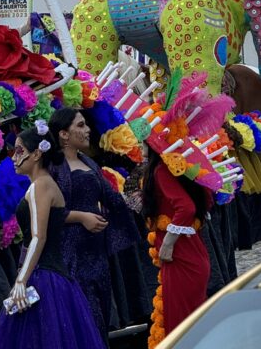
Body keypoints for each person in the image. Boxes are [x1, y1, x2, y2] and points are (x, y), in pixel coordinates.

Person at [0, 123, 105, 349]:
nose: (14, 157)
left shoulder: (39, 186)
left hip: (44, 277)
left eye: (19, 150)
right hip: (50, 274)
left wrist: (22, 280)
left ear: (36, 154)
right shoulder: (45, 184)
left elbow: (38, 237)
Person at [49, 108, 138, 344]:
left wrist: (142, 195)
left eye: (86, 125)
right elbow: (44, 213)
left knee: (102, 310)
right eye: (80, 125)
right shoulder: (53, 169)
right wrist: (80, 217)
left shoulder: (88, 161)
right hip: (71, 254)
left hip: (96, 254)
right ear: (63, 135)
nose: (88, 130)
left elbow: (112, 198)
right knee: (86, 315)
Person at [142, 147, 212, 337]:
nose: (140, 146)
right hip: (190, 253)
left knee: (181, 326)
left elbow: (186, 208)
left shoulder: (161, 170)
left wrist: (168, 243)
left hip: (181, 257)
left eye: (143, 141)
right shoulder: (172, 168)